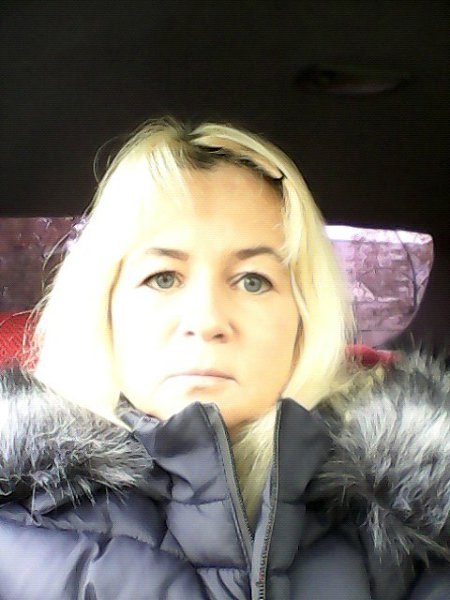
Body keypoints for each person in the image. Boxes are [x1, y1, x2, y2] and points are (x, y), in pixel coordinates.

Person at [0, 117, 448, 600]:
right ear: (103, 307)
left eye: (253, 281)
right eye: (163, 278)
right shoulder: (13, 527)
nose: (207, 318)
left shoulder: (415, 529)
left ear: (304, 319)